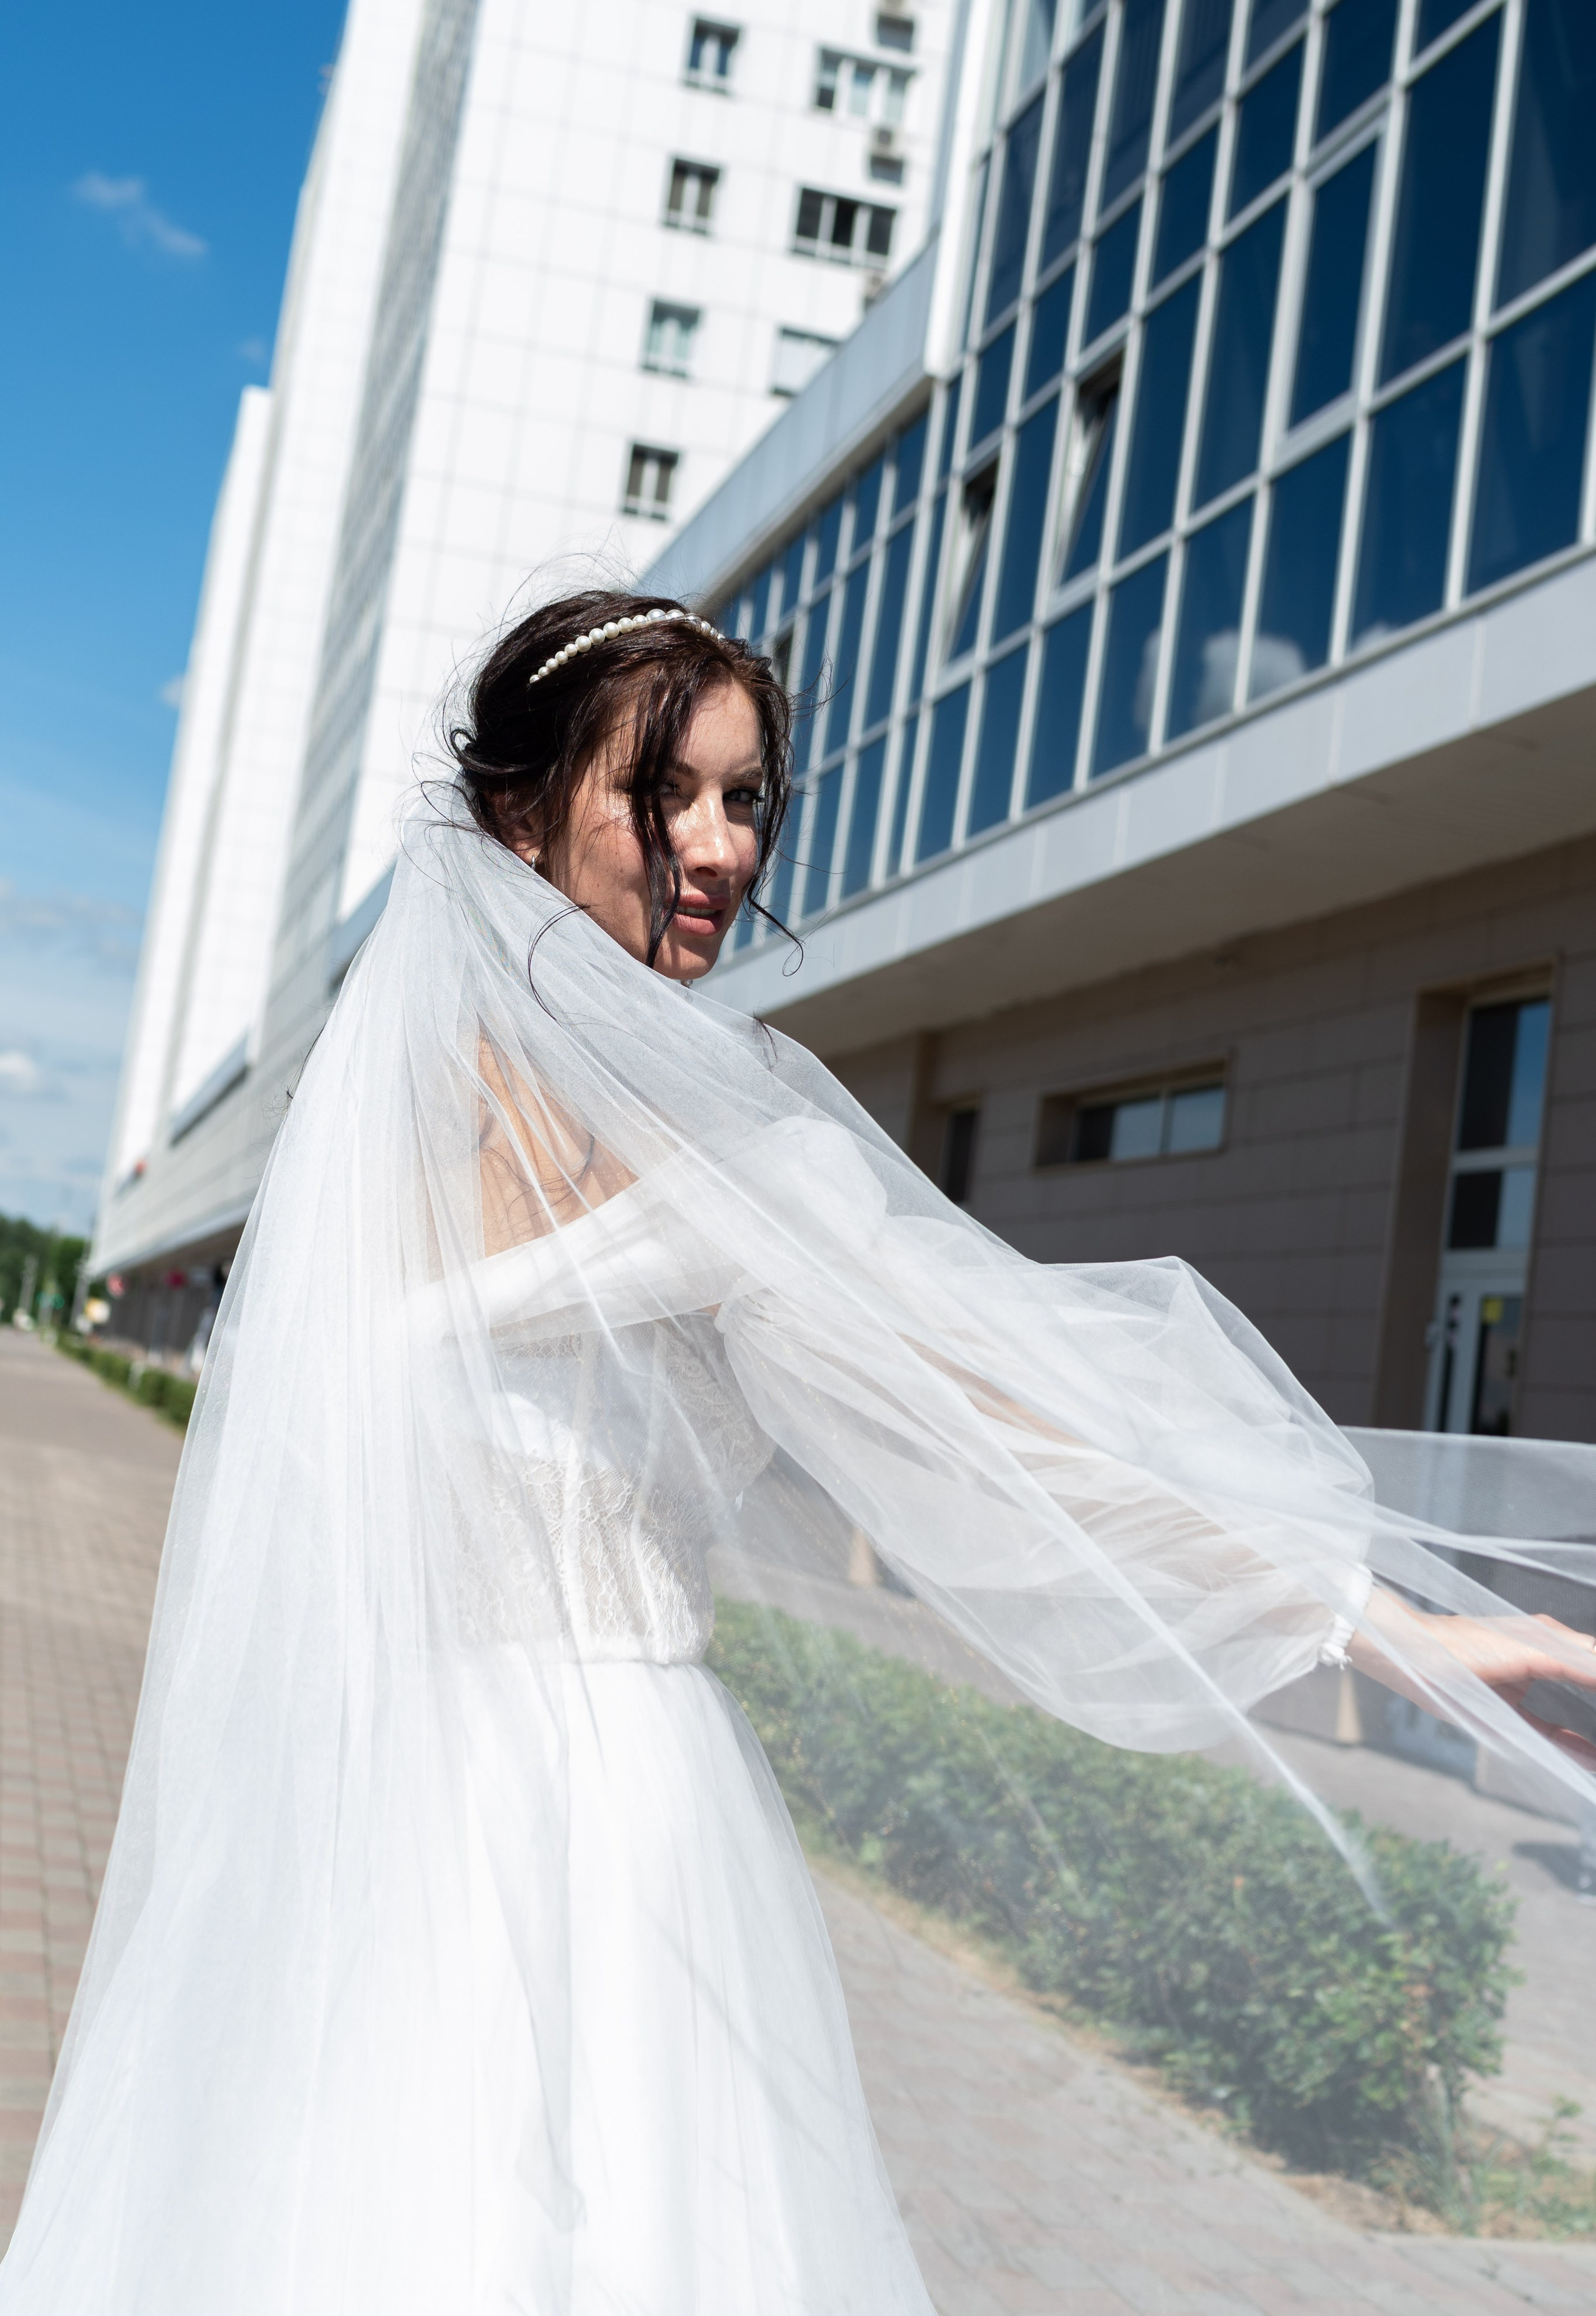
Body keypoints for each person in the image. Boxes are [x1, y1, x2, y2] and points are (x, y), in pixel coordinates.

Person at [4, 592, 1594, 2315]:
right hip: (374, 1812)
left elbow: (1013, 1419)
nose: (717, 847)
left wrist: (1382, 1617)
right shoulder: (385, 1123)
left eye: (746, 799)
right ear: (521, 815)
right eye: (662, 794)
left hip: (596, 1828)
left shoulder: (722, 1152)